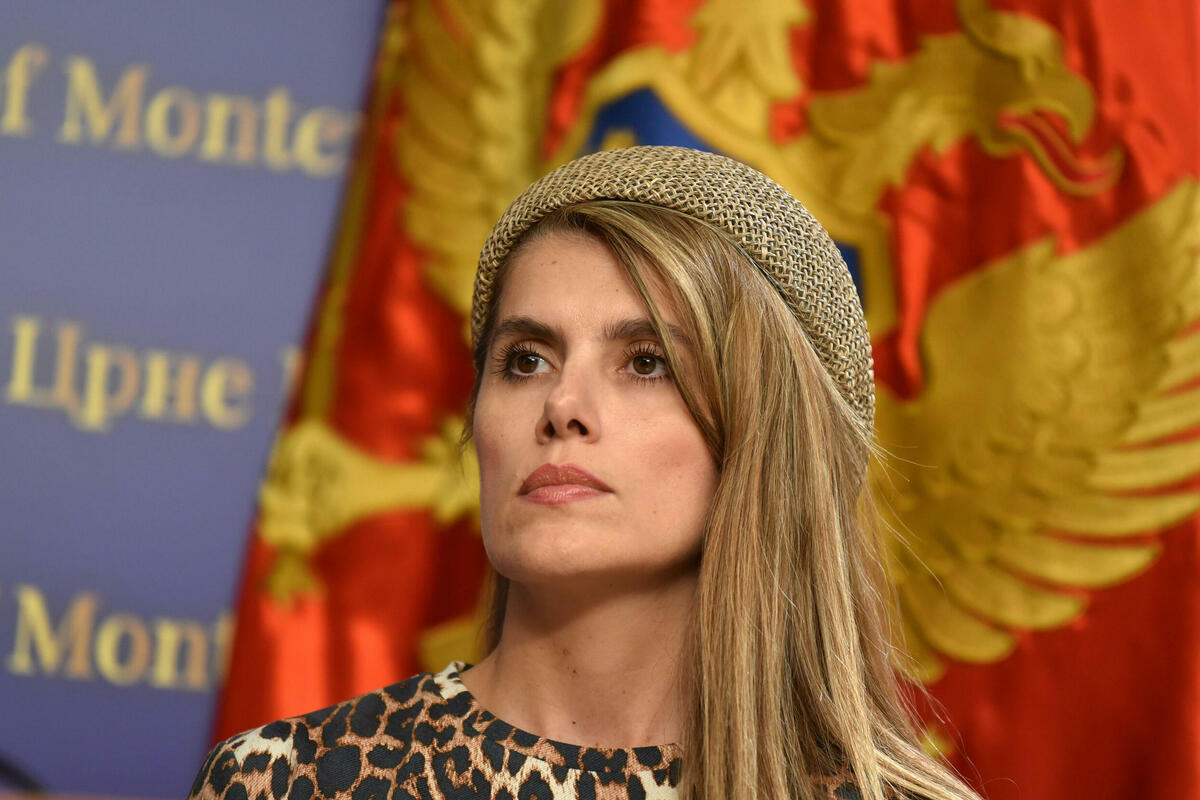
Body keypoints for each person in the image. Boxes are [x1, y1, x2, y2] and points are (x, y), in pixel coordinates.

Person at [188, 146, 981, 800]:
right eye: (526, 359)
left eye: (646, 362)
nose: (562, 406)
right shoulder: (284, 783)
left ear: (766, 433)